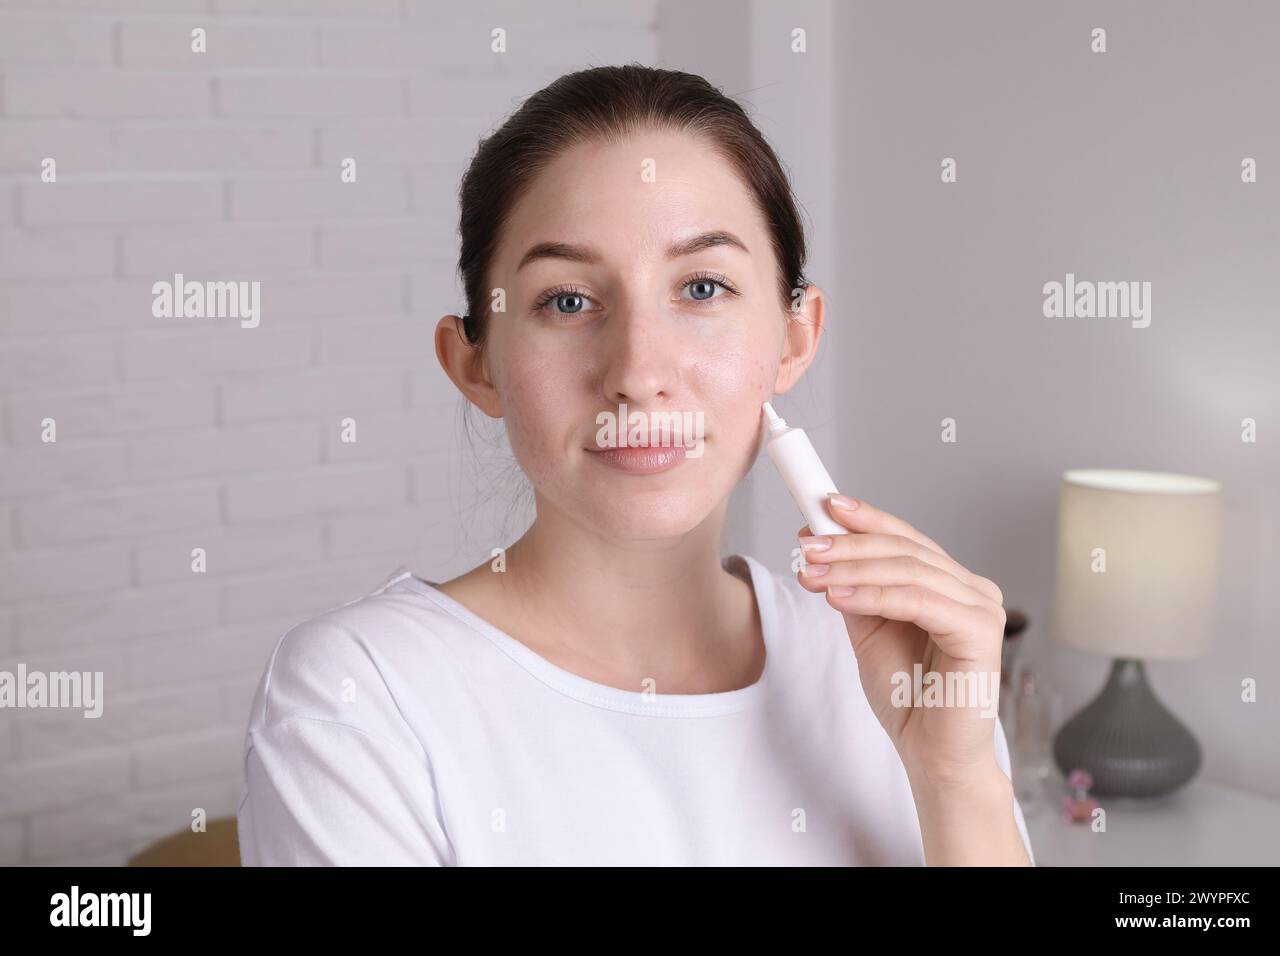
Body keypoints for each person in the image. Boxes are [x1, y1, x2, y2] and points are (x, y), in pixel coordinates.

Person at [237, 64, 1035, 866]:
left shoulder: (897, 668)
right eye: (568, 301)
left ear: (793, 338)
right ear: (476, 365)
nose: (639, 369)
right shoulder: (359, 698)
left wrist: (956, 776)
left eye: (701, 287)